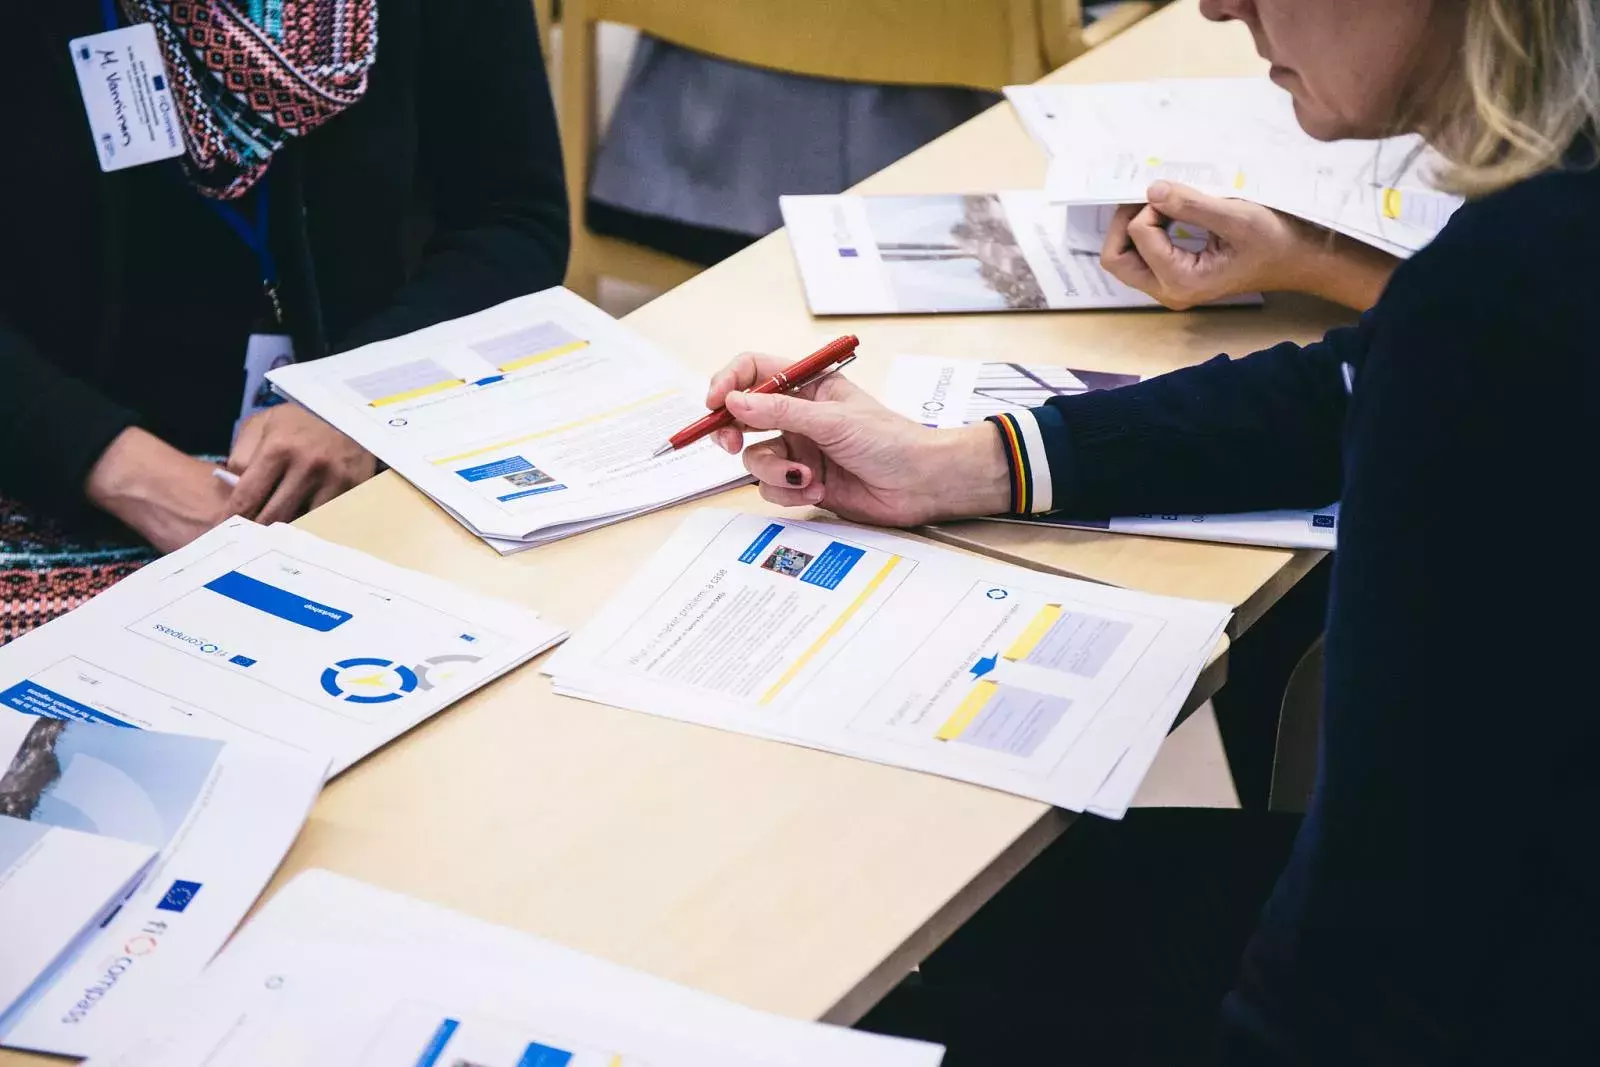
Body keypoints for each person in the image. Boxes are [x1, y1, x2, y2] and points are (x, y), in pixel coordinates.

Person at [705, 0, 1600, 1061]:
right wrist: (964, 462)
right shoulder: (1537, 244)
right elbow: (1345, 386)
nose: (1219, 3)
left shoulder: (1511, 301)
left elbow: (1384, 935)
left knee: (881, 965)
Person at [3, 0, 567, 641]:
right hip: (45, 471)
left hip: (379, 466)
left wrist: (359, 397)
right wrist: (110, 462)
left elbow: (515, 223)